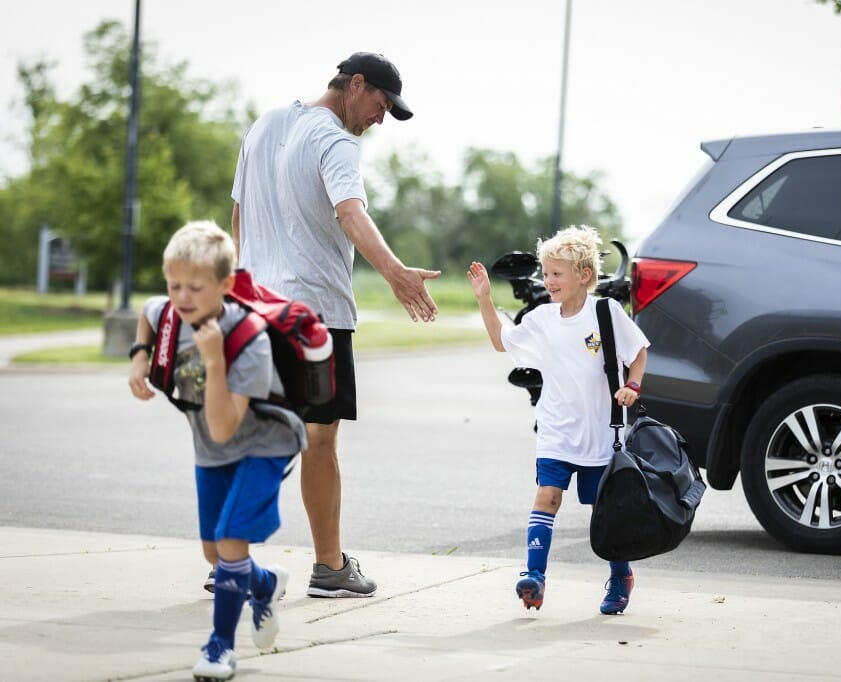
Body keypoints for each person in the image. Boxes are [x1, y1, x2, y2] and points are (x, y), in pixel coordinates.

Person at [230, 51, 441, 599]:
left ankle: (230, 561)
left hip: (255, 307)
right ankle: (329, 568)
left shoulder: (264, 125)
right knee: (318, 440)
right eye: (380, 104)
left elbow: (238, 215)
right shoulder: (335, 141)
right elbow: (351, 212)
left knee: (258, 434)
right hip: (314, 316)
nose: (380, 119)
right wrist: (395, 274)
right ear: (355, 84)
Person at [128, 221, 302, 681]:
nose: (182, 297)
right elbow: (148, 311)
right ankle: (263, 584)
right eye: (175, 285)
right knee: (215, 553)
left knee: (229, 544)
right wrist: (139, 354)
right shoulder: (171, 313)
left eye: (195, 288)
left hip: (263, 446)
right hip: (211, 450)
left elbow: (226, 427)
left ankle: (220, 647)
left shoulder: (249, 340)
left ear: (225, 286)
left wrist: (213, 359)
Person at [467, 225, 650, 614]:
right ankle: (534, 576)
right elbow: (503, 341)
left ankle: (621, 576)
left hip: (599, 433)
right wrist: (484, 299)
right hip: (555, 431)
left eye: (556, 273)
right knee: (547, 497)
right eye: (545, 273)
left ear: (583, 275)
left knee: (603, 511)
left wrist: (632, 385)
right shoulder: (542, 318)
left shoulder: (606, 312)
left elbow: (639, 351)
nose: (548, 281)